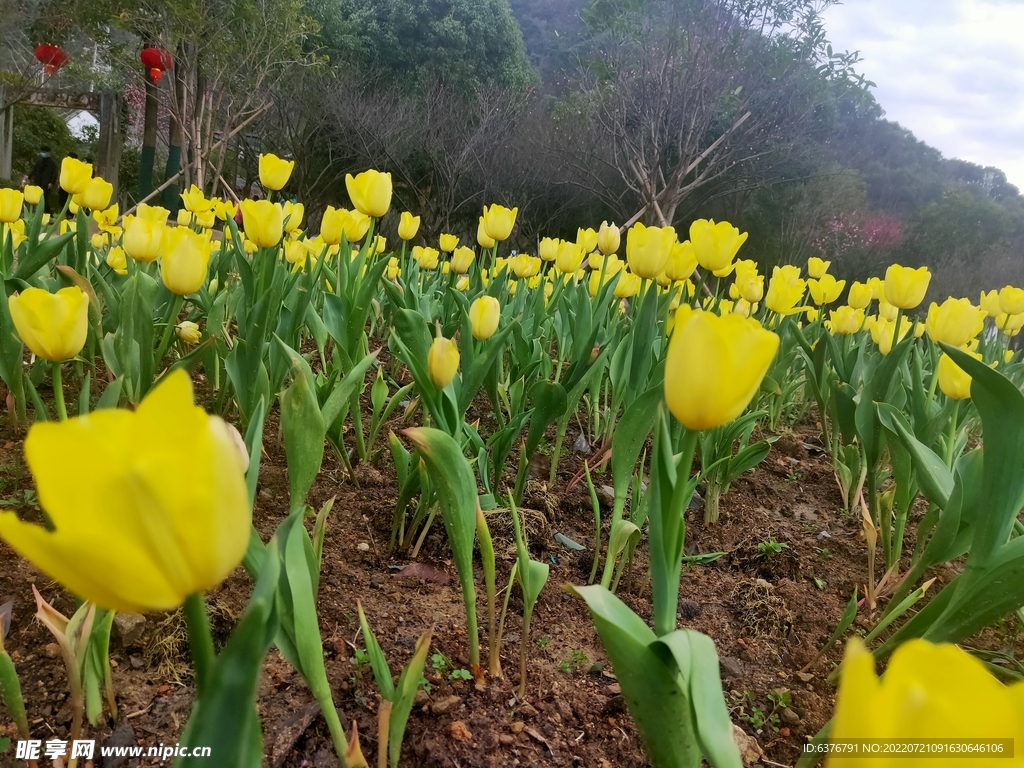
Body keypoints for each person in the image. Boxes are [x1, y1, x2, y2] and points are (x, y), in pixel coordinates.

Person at [29, 145, 59, 214]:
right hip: (38, 182)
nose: (43, 153)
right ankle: (40, 212)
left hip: (46, 184)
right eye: (42, 152)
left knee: (44, 198)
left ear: (49, 153)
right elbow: (34, 170)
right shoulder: (39, 161)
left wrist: (51, 182)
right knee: (39, 198)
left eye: (45, 152)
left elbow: (54, 174)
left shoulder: (52, 163)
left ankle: (49, 213)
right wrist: (28, 176)